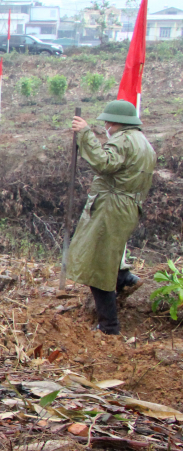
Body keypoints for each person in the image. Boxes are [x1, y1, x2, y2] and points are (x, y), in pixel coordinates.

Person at [67, 100, 154, 335]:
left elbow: (104, 163)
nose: (106, 124)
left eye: (108, 120)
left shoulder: (124, 139)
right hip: (127, 206)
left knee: (97, 264)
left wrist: (85, 134)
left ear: (118, 121)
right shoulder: (143, 142)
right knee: (107, 253)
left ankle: (108, 326)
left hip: (112, 207)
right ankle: (125, 277)